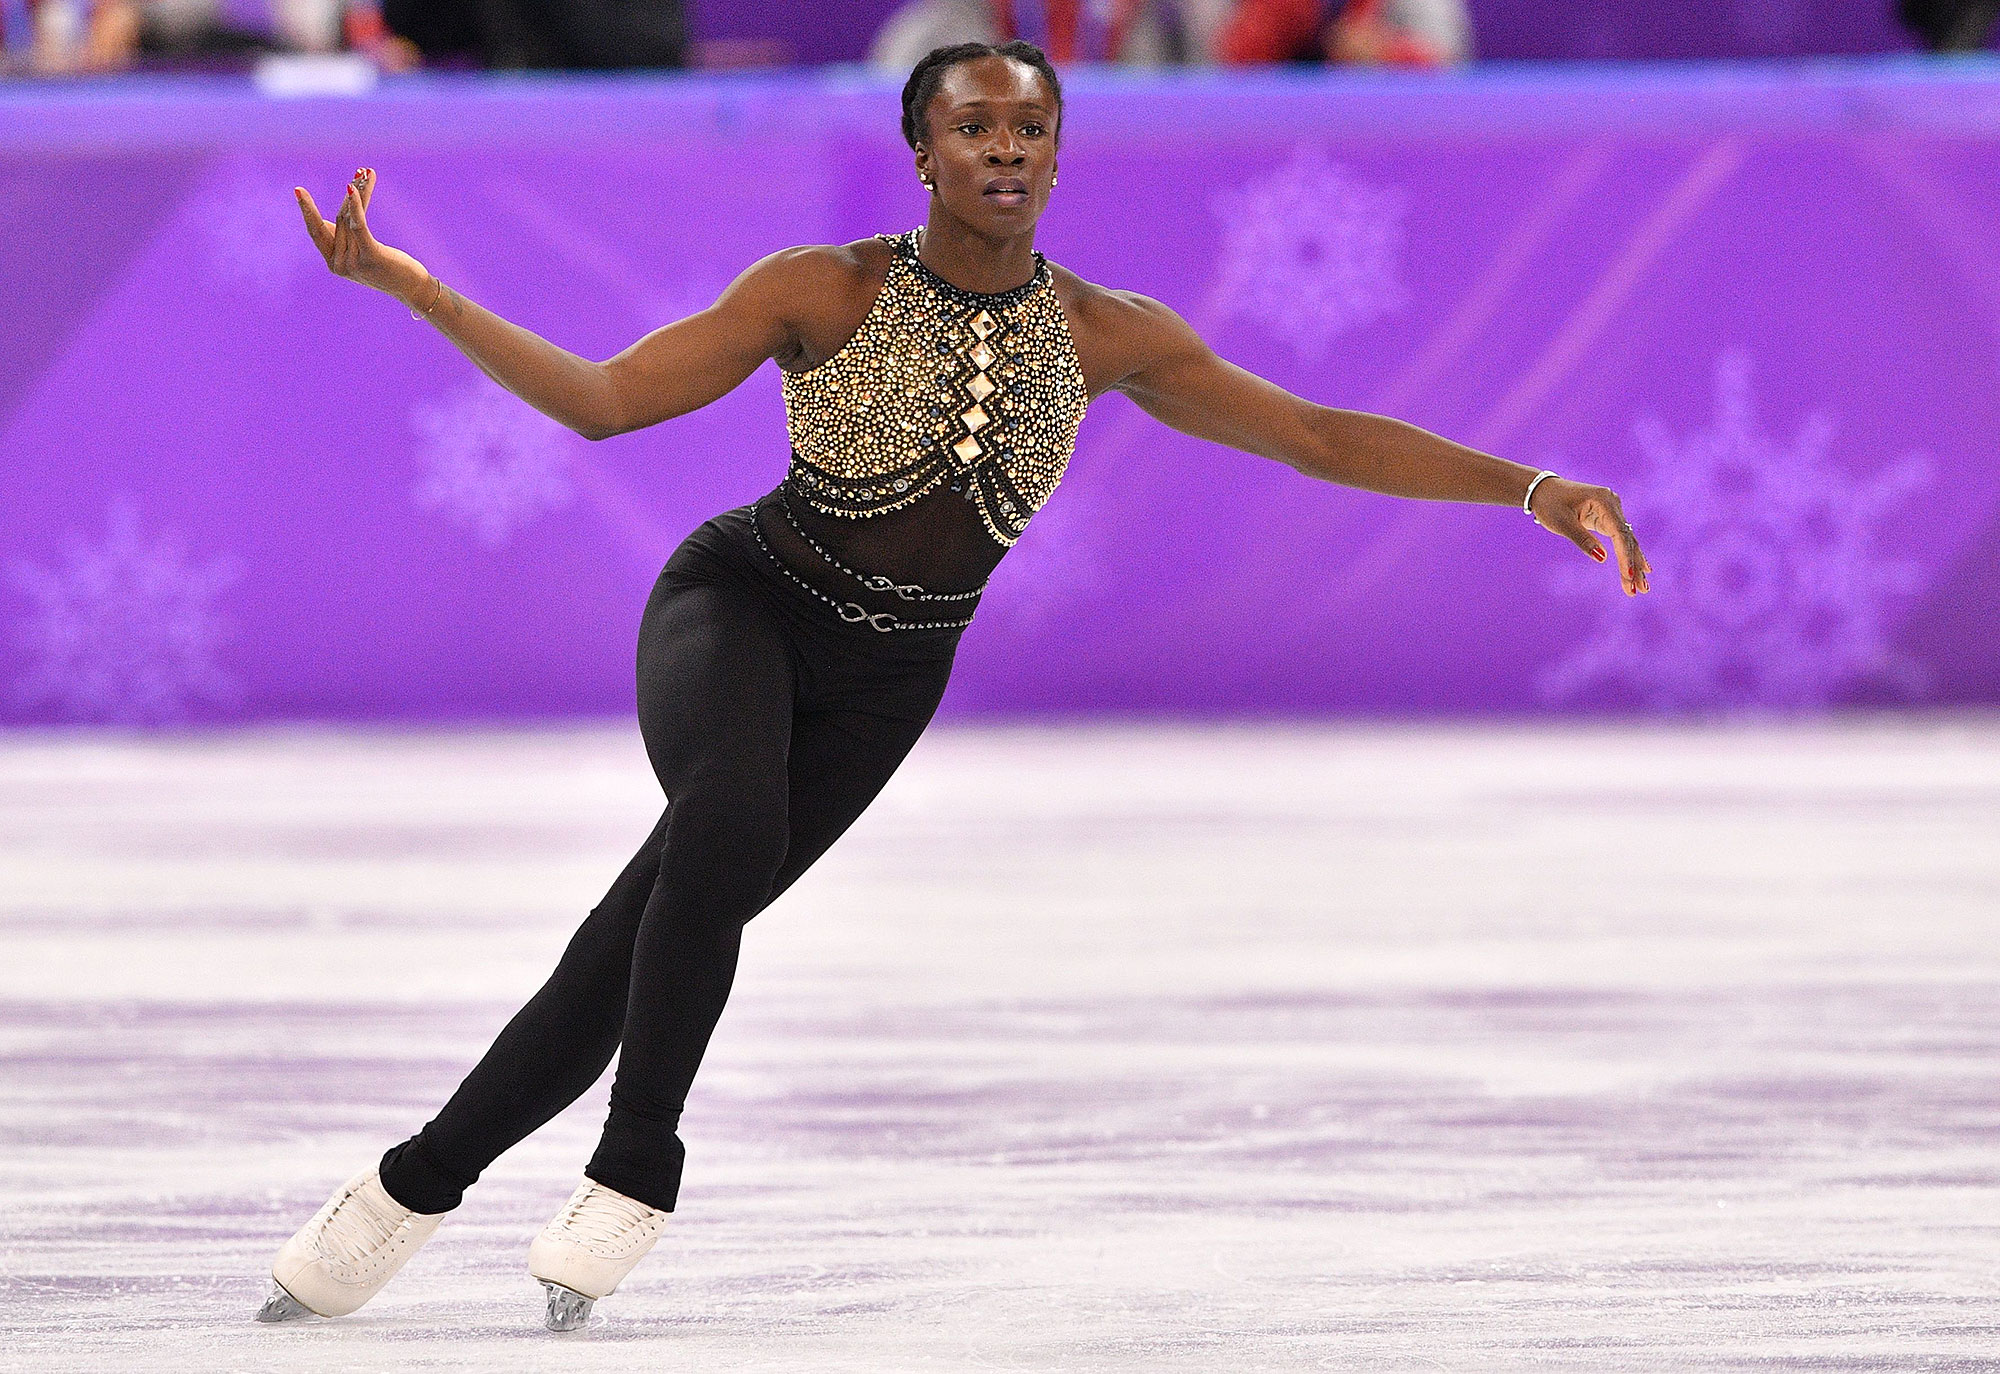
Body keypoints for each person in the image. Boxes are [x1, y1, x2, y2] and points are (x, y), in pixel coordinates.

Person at [261, 38, 1650, 1334]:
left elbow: (1314, 435)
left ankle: (410, 1186)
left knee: (643, 934)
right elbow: (606, 399)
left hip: (889, 676)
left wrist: (1530, 487)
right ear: (922, 152)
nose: (1006, 147)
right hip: (740, 604)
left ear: (1059, 156)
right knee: (725, 830)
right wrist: (415, 285)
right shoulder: (825, 289)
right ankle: (637, 1164)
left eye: (1031, 127)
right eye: (974, 125)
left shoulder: (1109, 335)